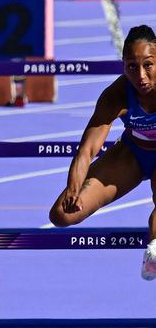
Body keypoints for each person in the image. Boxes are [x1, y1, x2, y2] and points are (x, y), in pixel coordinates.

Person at [49, 24, 156, 281]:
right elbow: (87, 149)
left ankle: (153, 252)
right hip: (133, 154)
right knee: (62, 215)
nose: (140, 75)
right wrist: (73, 186)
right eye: (132, 66)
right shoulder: (117, 94)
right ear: (123, 65)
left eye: (148, 65)